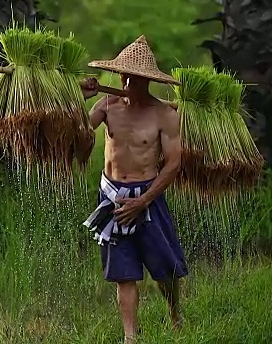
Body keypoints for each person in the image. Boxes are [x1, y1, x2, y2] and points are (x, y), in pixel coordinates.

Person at [78, 35, 189, 343]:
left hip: (148, 196)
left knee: (164, 270)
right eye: (123, 75)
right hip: (112, 197)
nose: (126, 81)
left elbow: (173, 164)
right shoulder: (108, 105)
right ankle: (130, 337)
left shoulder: (164, 114)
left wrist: (144, 200)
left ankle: (175, 313)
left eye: (133, 77)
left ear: (146, 80)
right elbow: (79, 133)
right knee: (123, 273)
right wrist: (79, 97)